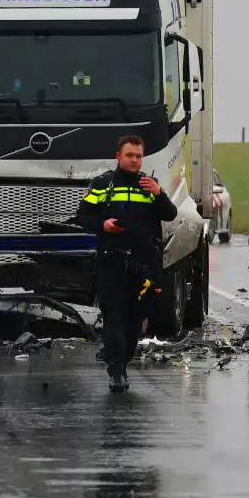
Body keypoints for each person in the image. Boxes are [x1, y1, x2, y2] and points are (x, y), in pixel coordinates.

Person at [72, 134, 177, 393]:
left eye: (138, 156)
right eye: (129, 155)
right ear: (119, 157)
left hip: (143, 266)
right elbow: (82, 216)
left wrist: (160, 193)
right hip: (111, 264)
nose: (134, 160)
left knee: (135, 319)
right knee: (114, 317)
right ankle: (116, 371)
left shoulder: (149, 186)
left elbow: (170, 214)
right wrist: (103, 224)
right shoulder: (102, 184)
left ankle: (124, 359)